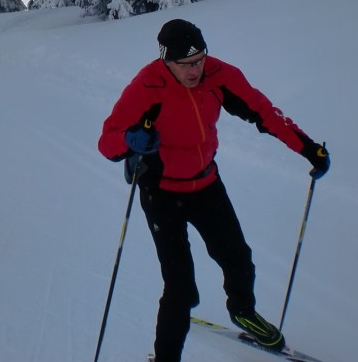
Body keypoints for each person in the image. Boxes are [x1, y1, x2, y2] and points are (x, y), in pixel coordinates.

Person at [98, 19, 330, 362]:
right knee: (181, 290)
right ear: (166, 60)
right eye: (186, 64)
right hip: (161, 192)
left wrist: (308, 148)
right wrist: (131, 140)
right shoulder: (147, 86)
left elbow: (264, 112)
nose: (196, 70)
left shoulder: (220, 75)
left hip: (206, 182)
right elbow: (107, 141)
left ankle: (242, 311)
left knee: (238, 259)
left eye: (200, 60)